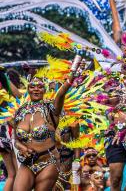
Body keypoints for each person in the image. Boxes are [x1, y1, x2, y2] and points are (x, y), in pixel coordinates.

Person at [12, 57, 80, 190]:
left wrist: (73, 72)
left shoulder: (51, 109)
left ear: (45, 90)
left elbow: (61, 93)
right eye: (32, 86)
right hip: (27, 163)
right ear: (28, 89)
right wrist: (23, 148)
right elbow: (16, 139)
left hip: (48, 161)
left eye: (40, 86)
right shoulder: (20, 111)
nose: (36, 89)